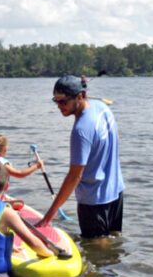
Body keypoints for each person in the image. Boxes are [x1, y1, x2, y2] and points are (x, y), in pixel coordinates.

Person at [39, 75, 124, 239]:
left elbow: (74, 176)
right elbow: (116, 137)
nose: (58, 106)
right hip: (116, 190)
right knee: (114, 239)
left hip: (93, 201)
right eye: (55, 101)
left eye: (63, 101)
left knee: (96, 248)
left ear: (79, 96)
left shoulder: (80, 130)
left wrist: (50, 214)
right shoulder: (103, 107)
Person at [0, 134, 43, 202]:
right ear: (5, 150)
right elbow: (20, 174)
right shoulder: (1, 164)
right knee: (20, 203)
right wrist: (36, 166)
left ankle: (3, 199)